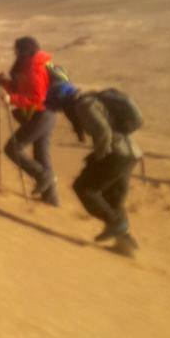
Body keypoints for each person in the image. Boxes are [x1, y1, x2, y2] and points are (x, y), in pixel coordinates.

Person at [47, 82, 142, 255]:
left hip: (116, 154)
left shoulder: (83, 106)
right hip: (131, 154)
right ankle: (125, 245)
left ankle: (116, 224)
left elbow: (103, 132)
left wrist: (98, 156)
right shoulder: (90, 100)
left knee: (84, 188)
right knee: (112, 198)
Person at [0, 36, 59, 205]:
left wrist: (13, 100)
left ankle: (43, 176)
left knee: (13, 148)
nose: (15, 53)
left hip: (41, 114)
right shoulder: (27, 65)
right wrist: (3, 82)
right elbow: (20, 89)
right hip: (46, 114)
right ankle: (51, 198)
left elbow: (38, 98)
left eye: (17, 50)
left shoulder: (34, 68)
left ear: (24, 51)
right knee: (41, 154)